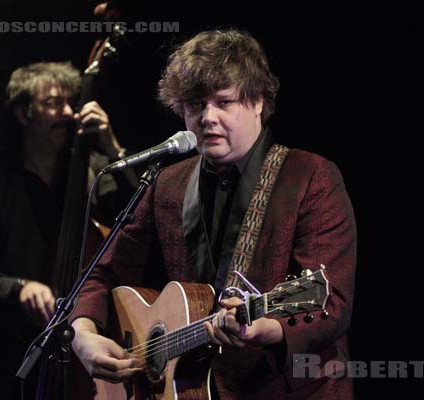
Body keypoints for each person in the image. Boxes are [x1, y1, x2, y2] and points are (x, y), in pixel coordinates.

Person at [71, 30, 357, 399]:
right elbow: (104, 271)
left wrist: (262, 328)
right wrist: (83, 335)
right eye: (195, 105)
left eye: (224, 102)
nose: (207, 118)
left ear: (257, 102)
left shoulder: (310, 177)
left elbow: (330, 301)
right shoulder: (168, 182)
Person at [0, 61, 136, 399]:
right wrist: (19, 287)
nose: (69, 112)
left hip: (96, 341)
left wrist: (113, 147)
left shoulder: (95, 175)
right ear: (24, 114)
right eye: (54, 103)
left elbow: (145, 212)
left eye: (71, 102)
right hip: (22, 349)